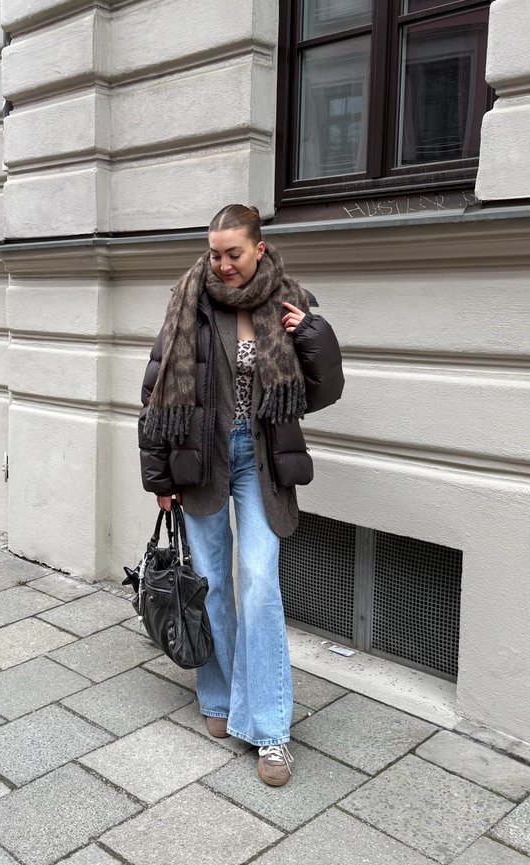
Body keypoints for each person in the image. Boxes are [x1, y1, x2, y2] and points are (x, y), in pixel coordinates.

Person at [139, 204, 344, 786]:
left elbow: (325, 389)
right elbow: (154, 393)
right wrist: (160, 480)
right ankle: (219, 698)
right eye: (214, 253)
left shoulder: (287, 302)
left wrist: (308, 333)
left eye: (233, 253)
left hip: (258, 460)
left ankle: (272, 731)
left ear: (258, 248)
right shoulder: (189, 303)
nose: (222, 264)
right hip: (201, 459)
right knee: (211, 582)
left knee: (258, 583)